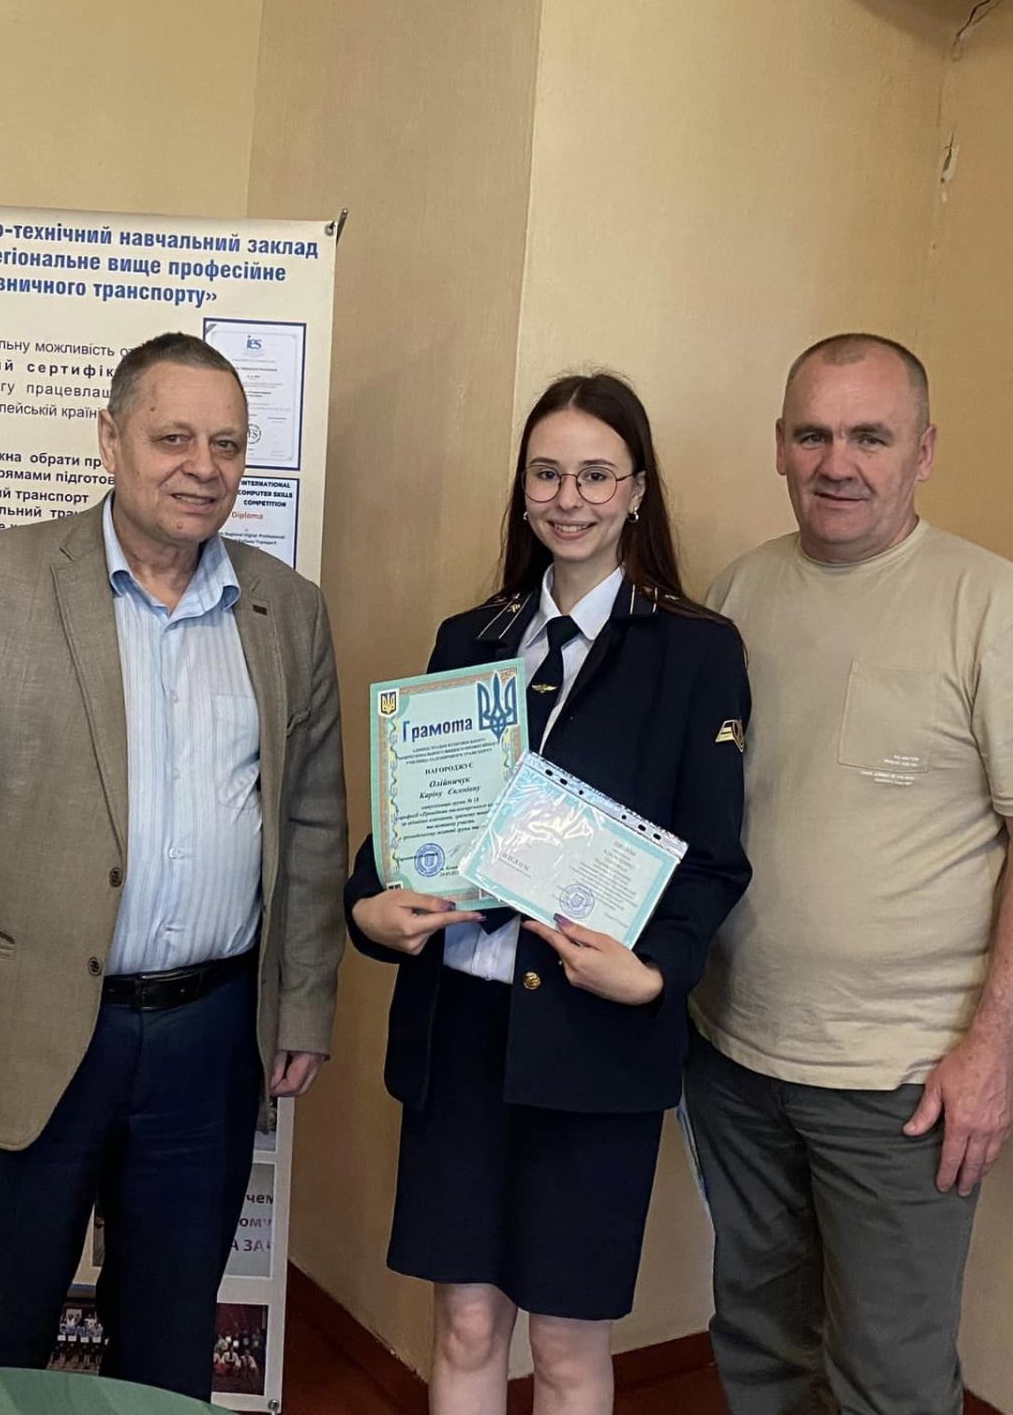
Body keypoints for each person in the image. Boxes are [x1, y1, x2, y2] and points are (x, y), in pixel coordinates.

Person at [0, 332, 348, 1400]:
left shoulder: (288, 611)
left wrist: (303, 1002)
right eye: (173, 438)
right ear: (110, 440)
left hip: (210, 1041)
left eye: (227, 444)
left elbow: (313, 825)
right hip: (24, 1037)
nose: (202, 467)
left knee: (168, 1344)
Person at [686, 333, 1013, 1415]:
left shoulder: (993, 607)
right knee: (760, 1345)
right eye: (813, 435)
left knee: (891, 1381)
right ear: (779, 445)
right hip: (733, 1054)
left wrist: (992, 1048)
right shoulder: (738, 593)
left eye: (870, 436)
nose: (838, 463)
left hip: (903, 1083)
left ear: (924, 450)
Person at [345, 372, 751, 1415]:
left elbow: (714, 859)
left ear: (638, 490)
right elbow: (413, 822)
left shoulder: (697, 652)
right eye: (547, 473)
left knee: (567, 1347)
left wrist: (654, 974)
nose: (570, 498)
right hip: (461, 1034)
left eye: (596, 475)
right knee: (467, 1326)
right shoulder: (469, 637)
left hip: (592, 1039)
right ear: (522, 488)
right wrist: (369, 909)